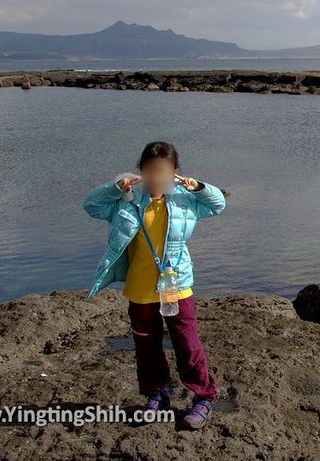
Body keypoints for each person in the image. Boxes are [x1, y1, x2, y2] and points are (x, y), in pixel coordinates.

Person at [82, 140, 226, 430]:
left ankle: (202, 397)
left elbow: (218, 204)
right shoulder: (127, 201)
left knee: (187, 343)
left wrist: (197, 186)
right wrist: (115, 187)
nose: (156, 177)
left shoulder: (186, 200)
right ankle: (155, 395)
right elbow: (91, 205)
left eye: (162, 171)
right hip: (140, 288)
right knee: (146, 345)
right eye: (150, 171)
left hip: (177, 286)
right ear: (141, 172)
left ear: (174, 173)